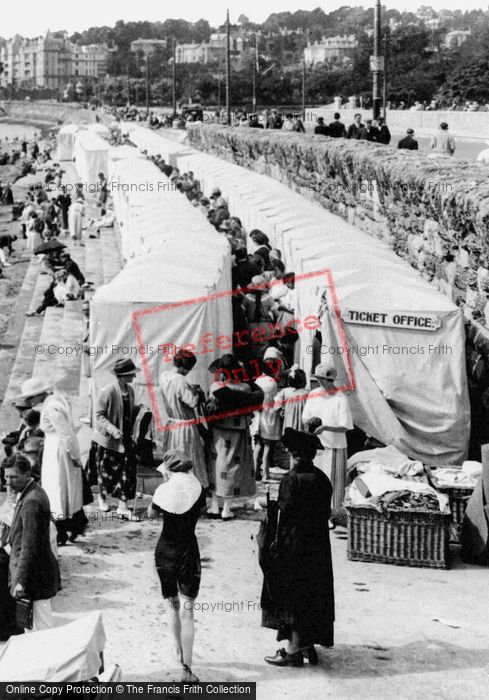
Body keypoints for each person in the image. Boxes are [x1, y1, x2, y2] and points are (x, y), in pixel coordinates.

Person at [261, 428, 334, 666]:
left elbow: (287, 513)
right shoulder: (322, 478)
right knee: (314, 593)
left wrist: (268, 506)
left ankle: (292, 650)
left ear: (294, 455)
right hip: (318, 546)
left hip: (295, 546)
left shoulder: (291, 480)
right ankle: (307, 644)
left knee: (293, 595)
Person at [150, 450, 206, 683]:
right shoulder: (197, 488)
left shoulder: (164, 490)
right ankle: (188, 666)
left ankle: (177, 650)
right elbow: (198, 511)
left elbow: (152, 513)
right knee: (188, 611)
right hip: (189, 551)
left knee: (170, 605)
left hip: (165, 551)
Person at [18, 377, 86, 546]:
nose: (30, 402)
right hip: (56, 446)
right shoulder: (55, 399)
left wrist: (75, 454)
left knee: (57, 489)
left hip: (58, 449)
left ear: (37, 395)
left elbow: (65, 432)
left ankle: (61, 529)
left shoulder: (51, 407)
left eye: (30, 398)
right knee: (62, 489)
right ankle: (71, 524)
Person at [6, 454, 60, 631]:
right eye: (6, 476)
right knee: (34, 625)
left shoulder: (32, 502)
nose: (8, 481)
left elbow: (29, 547)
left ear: (27, 473)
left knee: (41, 626)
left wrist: (20, 581)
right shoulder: (33, 491)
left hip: (35, 576)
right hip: (37, 574)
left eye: (13, 477)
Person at [206, 354, 262, 520]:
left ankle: (214, 505)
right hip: (238, 429)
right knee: (233, 466)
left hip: (218, 431)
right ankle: (227, 508)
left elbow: (210, 407)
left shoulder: (216, 387)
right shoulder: (245, 389)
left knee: (217, 464)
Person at [89, 358, 140, 518]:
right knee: (106, 472)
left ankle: (122, 506)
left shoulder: (130, 391)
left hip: (125, 439)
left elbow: (128, 412)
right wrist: (112, 429)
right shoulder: (108, 391)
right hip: (108, 440)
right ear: (123, 376)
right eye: (131, 374)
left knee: (126, 471)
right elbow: (99, 415)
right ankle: (102, 498)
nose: (134, 377)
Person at [302, 363, 353, 512]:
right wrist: (311, 424)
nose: (319, 382)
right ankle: (315, 511)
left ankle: (332, 513)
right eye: (318, 379)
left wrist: (325, 427)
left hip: (335, 446)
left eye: (322, 379)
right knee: (314, 480)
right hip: (316, 446)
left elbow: (345, 426)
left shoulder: (340, 398)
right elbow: (305, 417)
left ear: (330, 380)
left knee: (333, 482)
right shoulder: (313, 394)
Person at [159, 349, 208, 489]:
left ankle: (172, 488)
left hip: (172, 424)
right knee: (188, 458)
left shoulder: (164, 376)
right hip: (184, 427)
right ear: (183, 366)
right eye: (188, 368)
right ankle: (190, 489)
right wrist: (196, 393)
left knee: (173, 459)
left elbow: (176, 395)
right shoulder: (180, 380)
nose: (189, 372)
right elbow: (191, 402)